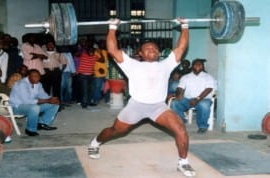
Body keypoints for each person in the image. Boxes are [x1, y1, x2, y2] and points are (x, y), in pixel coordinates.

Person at [88, 18, 196, 177]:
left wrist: (185, 26)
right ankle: (95, 142)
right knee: (115, 131)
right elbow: (112, 50)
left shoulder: (166, 64)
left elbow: (181, 47)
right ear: (140, 53)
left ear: (159, 52)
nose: (152, 49)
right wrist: (112, 27)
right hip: (136, 106)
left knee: (180, 130)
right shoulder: (132, 64)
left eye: (154, 47)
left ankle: (183, 163)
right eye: (147, 48)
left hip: (158, 107)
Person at [9, 69, 60, 136]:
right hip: (17, 107)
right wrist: (47, 100)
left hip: (31, 106)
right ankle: (30, 130)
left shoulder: (38, 84)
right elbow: (27, 101)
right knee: (34, 108)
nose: (37, 78)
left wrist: (52, 99)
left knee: (54, 104)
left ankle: (42, 123)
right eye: (34, 76)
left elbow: (43, 95)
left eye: (38, 76)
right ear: (28, 76)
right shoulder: (22, 84)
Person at [171, 59, 216, 134]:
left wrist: (197, 99)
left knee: (204, 105)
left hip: (203, 99)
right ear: (192, 66)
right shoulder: (186, 77)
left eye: (200, 64)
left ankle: (202, 126)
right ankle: (181, 121)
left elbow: (208, 89)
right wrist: (178, 94)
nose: (198, 65)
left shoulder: (208, 77)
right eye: (196, 64)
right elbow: (180, 87)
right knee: (175, 103)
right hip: (188, 99)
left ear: (203, 66)